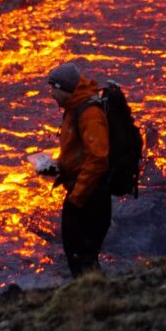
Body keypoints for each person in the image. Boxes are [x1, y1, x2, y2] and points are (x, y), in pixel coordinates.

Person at [45, 61, 112, 276]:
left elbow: (98, 158)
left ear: (63, 89)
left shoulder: (89, 113)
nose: (51, 95)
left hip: (89, 197)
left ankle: (94, 301)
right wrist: (58, 167)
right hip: (81, 193)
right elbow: (80, 153)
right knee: (79, 257)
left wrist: (77, 197)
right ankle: (91, 298)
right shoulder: (74, 108)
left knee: (83, 257)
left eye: (53, 89)